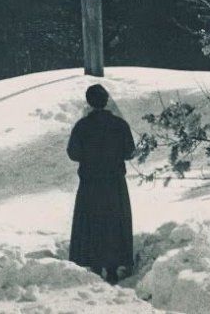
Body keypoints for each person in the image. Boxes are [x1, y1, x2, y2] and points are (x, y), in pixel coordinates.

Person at [67, 84, 135, 284]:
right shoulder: (120, 125)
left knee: (92, 223)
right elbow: (129, 151)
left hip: (90, 183)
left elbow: (73, 153)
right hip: (114, 183)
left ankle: (94, 265)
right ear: (106, 101)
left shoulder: (82, 126)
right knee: (114, 223)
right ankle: (113, 268)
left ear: (89, 102)